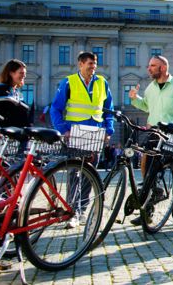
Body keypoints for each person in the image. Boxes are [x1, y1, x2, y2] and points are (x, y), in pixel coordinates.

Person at [50, 51, 114, 227]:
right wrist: (63, 129)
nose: (92, 68)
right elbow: (55, 109)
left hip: (96, 134)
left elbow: (109, 110)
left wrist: (109, 130)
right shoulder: (69, 82)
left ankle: (82, 210)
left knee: (89, 173)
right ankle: (72, 212)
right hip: (75, 133)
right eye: (89, 65)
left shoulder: (102, 82)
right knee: (74, 173)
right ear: (80, 64)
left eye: (94, 65)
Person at [129, 55, 173, 227]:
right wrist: (135, 99)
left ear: (163, 67)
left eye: (152, 65)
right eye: (149, 65)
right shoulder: (150, 88)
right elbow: (147, 107)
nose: (148, 68)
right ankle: (146, 212)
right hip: (154, 134)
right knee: (149, 175)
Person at [0, 59, 32, 140]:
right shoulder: (0, 89)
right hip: (5, 136)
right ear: (11, 73)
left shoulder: (17, 92)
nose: (24, 76)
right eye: (21, 73)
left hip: (19, 134)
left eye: (25, 73)